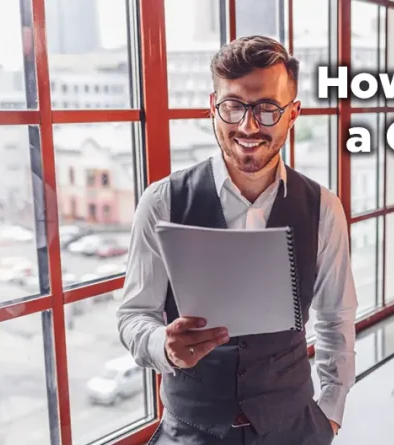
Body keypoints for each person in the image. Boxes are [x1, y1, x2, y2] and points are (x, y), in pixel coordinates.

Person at [116, 35, 357, 444]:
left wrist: (330, 414)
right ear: (213, 108)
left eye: (267, 109)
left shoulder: (323, 208)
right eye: (234, 107)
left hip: (295, 431)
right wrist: (163, 345)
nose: (248, 126)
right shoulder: (161, 202)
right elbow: (133, 316)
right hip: (190, 432)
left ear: (292, 114)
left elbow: (336, 320)